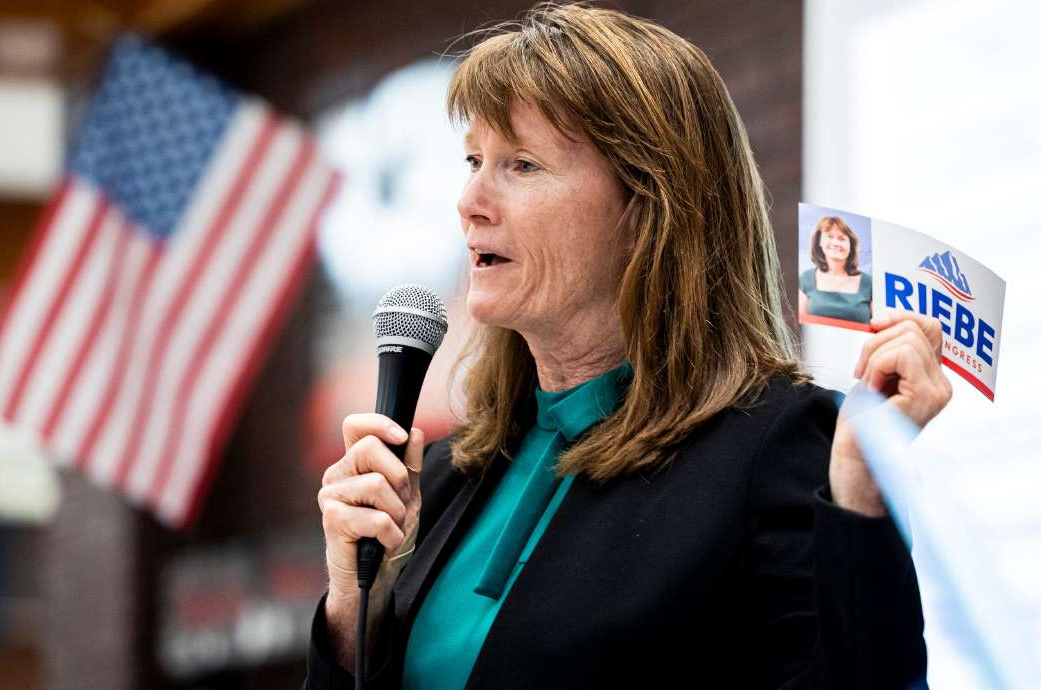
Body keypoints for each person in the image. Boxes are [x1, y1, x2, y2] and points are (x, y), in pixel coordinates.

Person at [305, 5, 951, 689]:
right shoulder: (441, 476)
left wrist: (859, 502)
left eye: (520, 164)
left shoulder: (778, 445)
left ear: (648, 209)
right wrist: (352, 610)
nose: (470, 199)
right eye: (474, 161)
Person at [798, 216, 874, 325]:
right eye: (829, 236)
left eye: (841, 238)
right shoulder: (806, 279)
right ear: (819, 242)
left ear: (851, 245)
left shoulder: (869, 283)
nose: (836, 243)